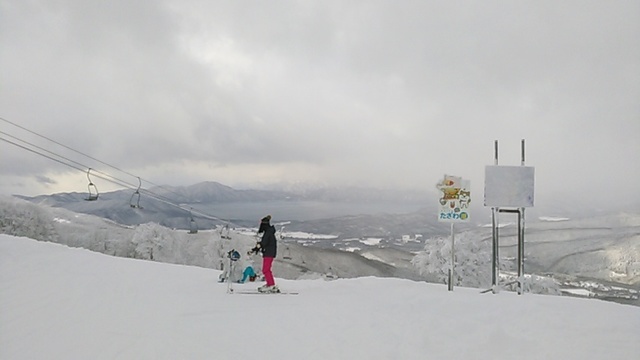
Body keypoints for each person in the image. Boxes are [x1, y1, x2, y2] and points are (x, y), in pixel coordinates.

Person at [255, 215, 279, 293]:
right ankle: (270, 283)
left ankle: (271, 285)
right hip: (269, 252)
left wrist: (257, 247)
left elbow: (264, 243)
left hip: (269, 253)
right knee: (266, 269)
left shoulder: (268, 232)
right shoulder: (269, 231)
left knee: (266, 270)